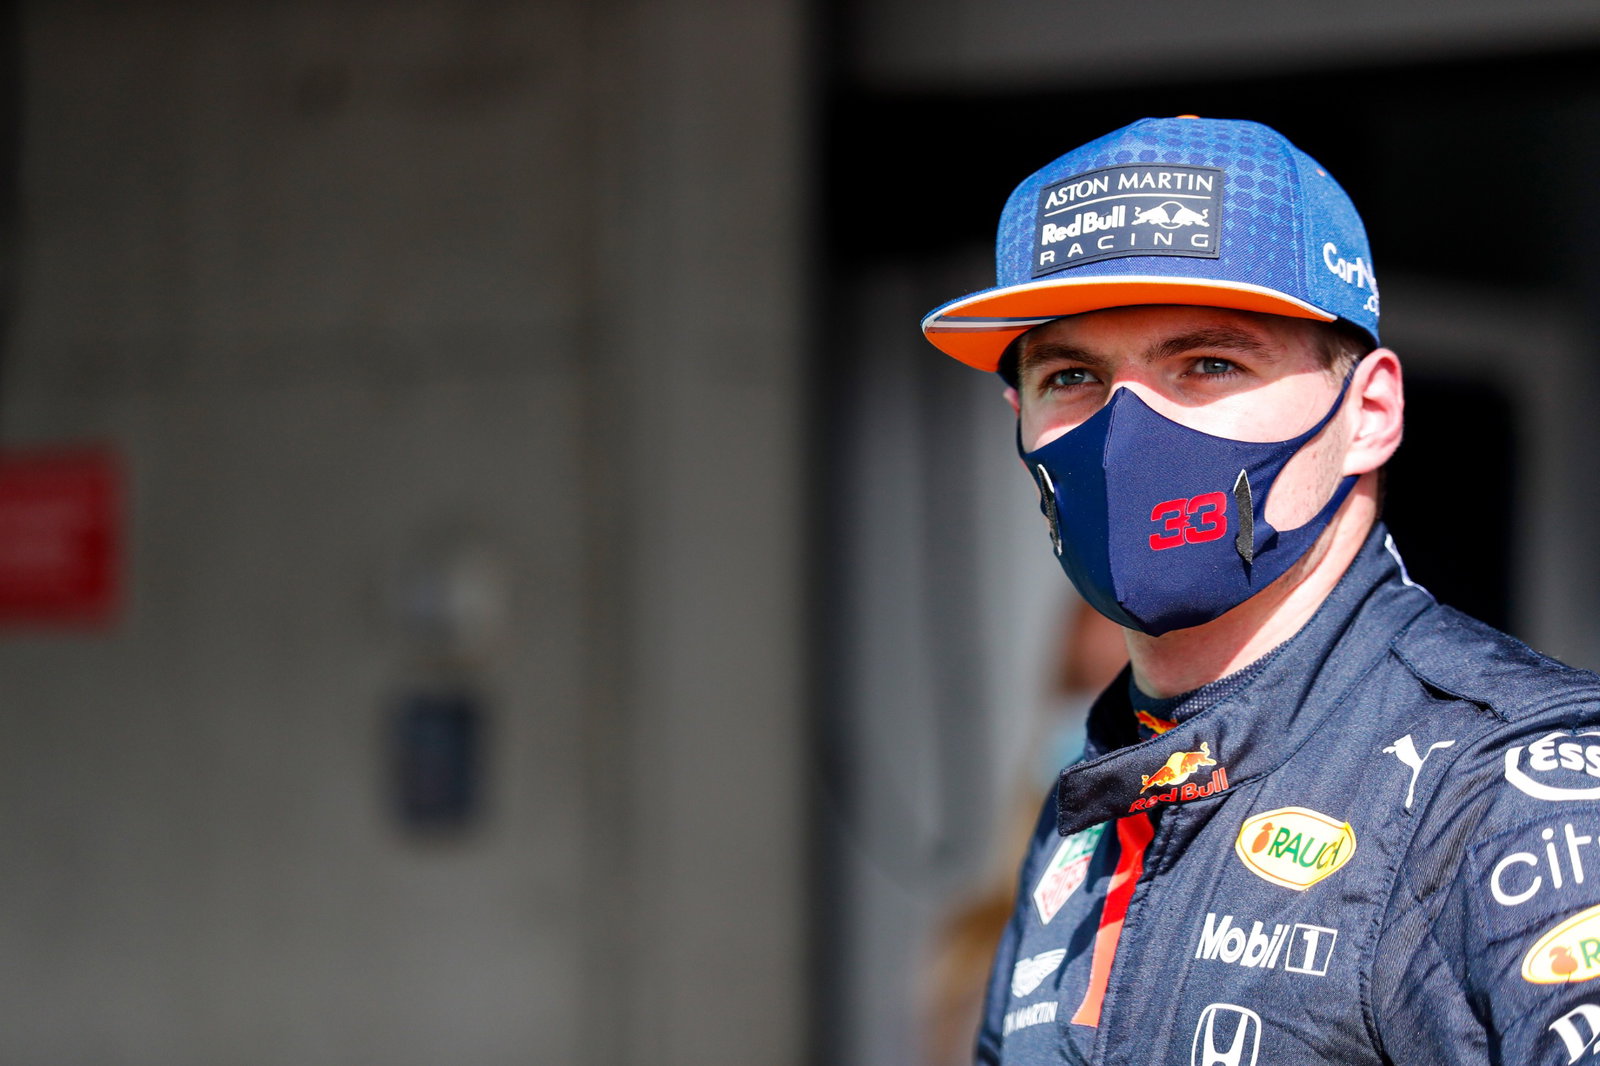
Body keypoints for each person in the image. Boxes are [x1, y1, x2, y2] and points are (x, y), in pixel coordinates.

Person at [918, 115, 1600, 1065]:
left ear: (1368, 413)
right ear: (1019, 417)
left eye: (1207, 364)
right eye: (1072, 375)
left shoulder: (1516, 791)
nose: (1128, 429)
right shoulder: (1098, 792)